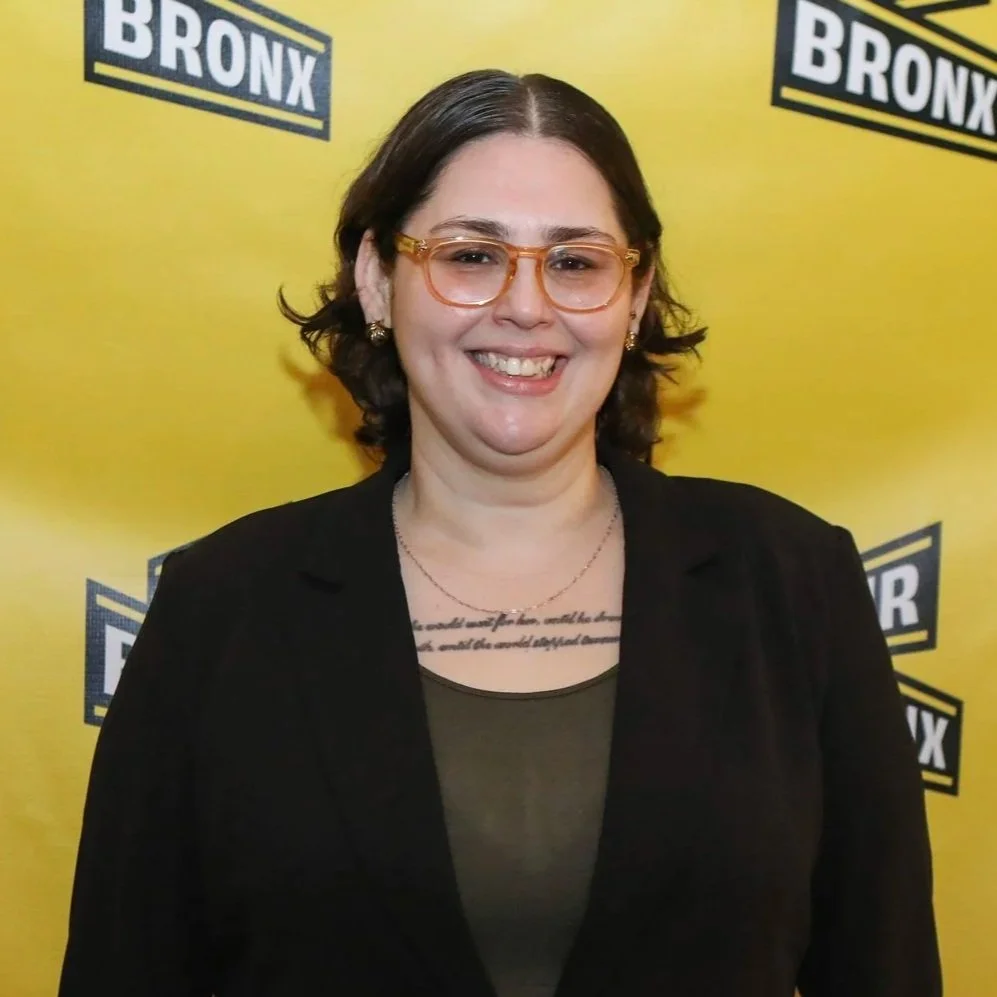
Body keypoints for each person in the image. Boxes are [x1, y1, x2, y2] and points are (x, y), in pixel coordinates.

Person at [59, 70, 941, 997]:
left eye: (576, 263)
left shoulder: (792, 582)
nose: (526, 305)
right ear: (377, 280)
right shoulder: (222, 608)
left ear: (634, 294)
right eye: (472, 255)